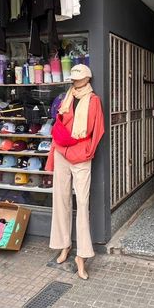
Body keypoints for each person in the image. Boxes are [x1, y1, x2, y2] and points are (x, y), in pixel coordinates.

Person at [46, 64, 104, 279]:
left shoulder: (93, 100)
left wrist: (89, 150)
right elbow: (59, 125)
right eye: (74, 78)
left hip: (81, 153)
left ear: (87, 79)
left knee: (82, 202)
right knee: (60, 199)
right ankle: (64, 244)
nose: (75, 82)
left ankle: (82, 255)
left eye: (79, 78)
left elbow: (97, 129)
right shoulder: (66, 98)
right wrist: (54, 151)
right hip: (62, 151)